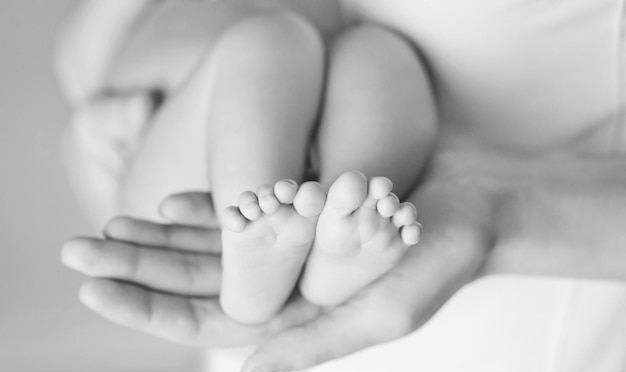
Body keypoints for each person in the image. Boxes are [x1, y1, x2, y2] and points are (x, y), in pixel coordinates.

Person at [59, 0, 626, 372]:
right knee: (283, 47)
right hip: (191, 129)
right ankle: (284, 247)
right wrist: (98, 113)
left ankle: (316, 239)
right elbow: (84, 50)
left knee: (369, 57)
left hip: (303, 88)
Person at [59, 0, 432, 325]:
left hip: (316, 125)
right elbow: (78, 62)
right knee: (269, 40)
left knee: (379, 51)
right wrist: (93, 119)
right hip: (182, 153)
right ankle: (256, 244)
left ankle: (340, 238)